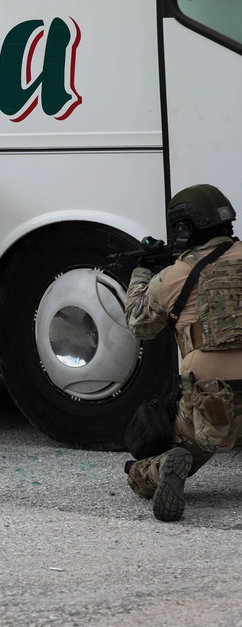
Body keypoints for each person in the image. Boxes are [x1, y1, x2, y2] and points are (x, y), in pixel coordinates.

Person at [124, 184, 242, 521]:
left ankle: (160, 469)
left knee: (173, 450)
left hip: (213, 405)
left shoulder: (174, 275)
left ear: (183, 227)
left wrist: (143, 273)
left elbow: (139, 325)